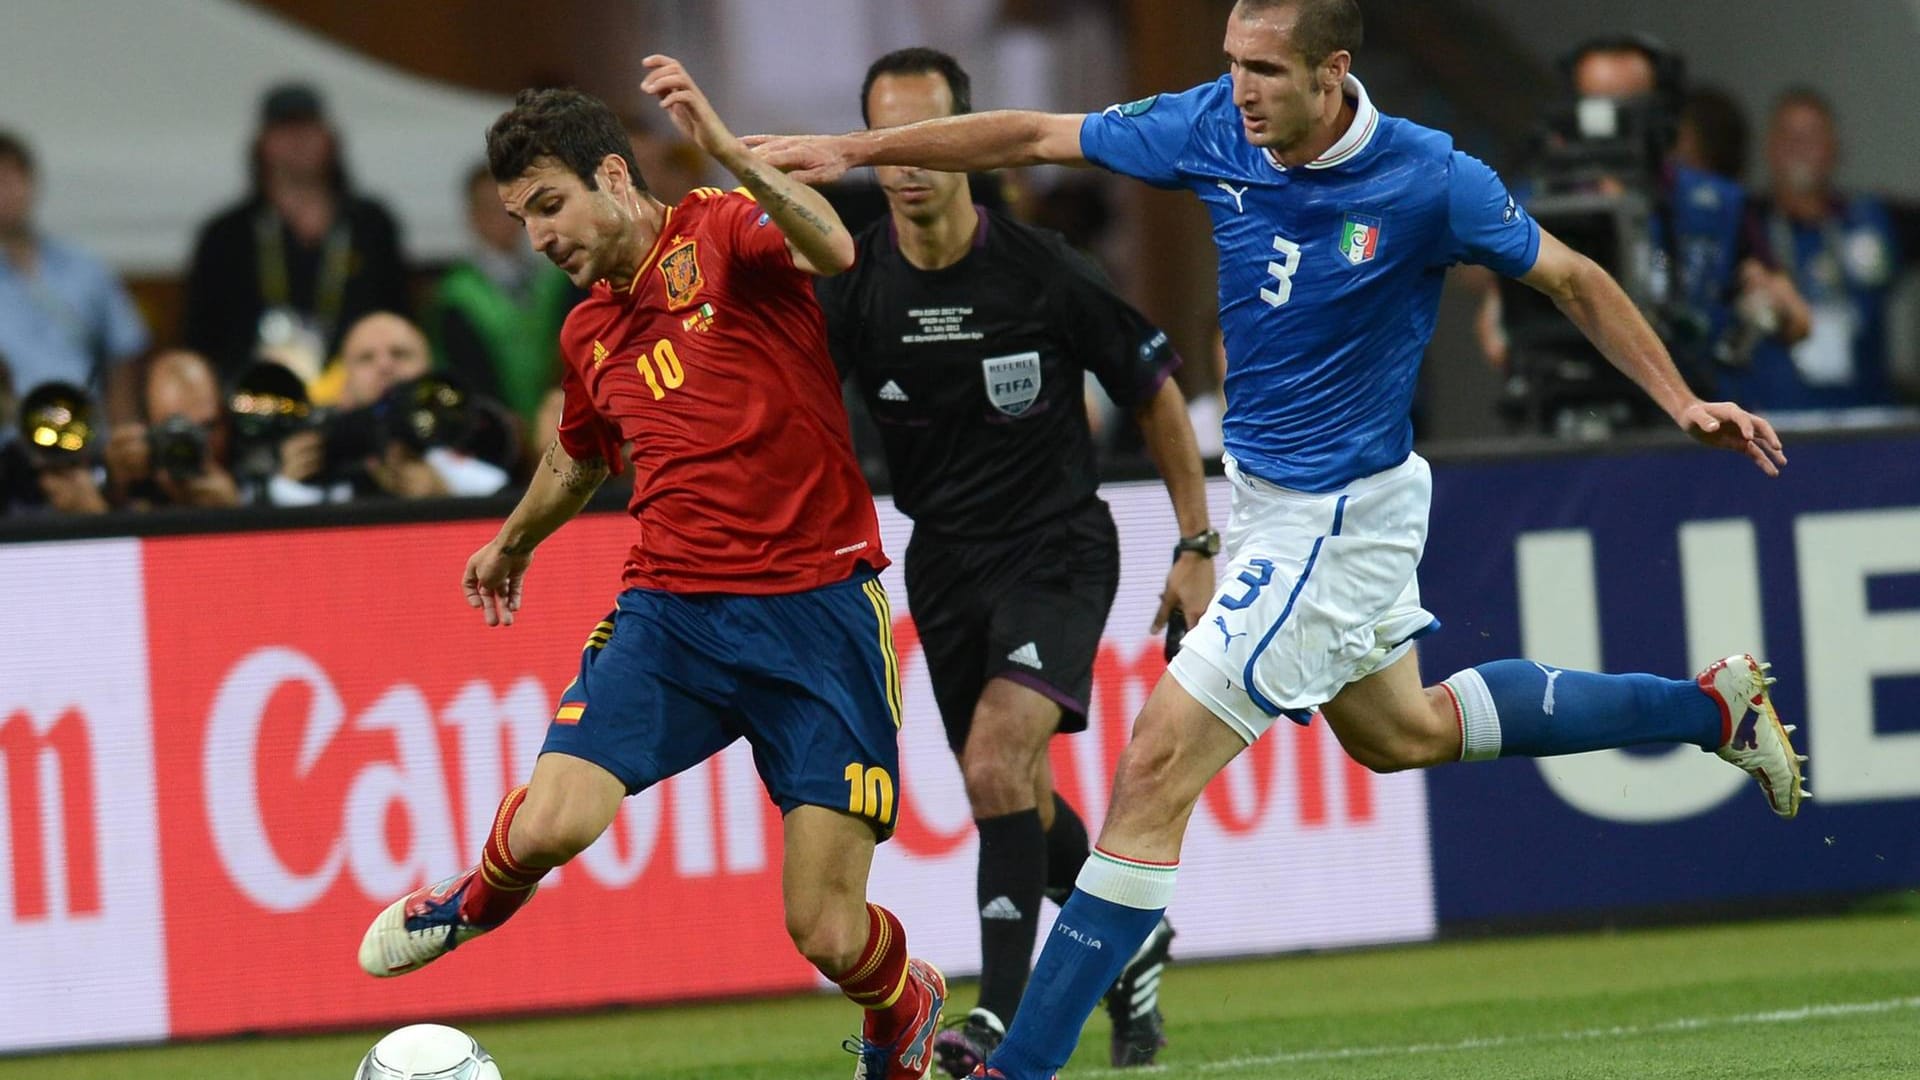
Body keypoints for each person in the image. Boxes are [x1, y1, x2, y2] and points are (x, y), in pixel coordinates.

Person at [751, 2, 1805, 1077]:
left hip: (1337, 514)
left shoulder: (1430, 178)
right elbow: (1027, 136)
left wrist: (1682, 401)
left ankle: (1019, 1065)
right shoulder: (1214, 126)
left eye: (1262, 69)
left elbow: (1571, 276)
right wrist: (850, 152)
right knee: (1404, 733)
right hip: (1268, 502)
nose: (1240, 88)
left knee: (1155, 766)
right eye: (1231, 65)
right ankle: (1710, 707)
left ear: (1332, 72)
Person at [354, 65, 948, 1080]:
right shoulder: (588, 326)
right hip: (672, 613)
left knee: (826, 932)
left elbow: (836, 246)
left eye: (551, 204)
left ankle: (906, 1004)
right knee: (554, 819)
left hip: (818, 615)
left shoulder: (721, 228)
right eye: (520, 216)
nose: (540, 235)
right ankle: (473, 901)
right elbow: (580, 456)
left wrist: (724, 143)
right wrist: (512, 542)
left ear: (616, 177)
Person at [814, 48, 1214, 1076]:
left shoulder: (1041, 267)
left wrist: (1194, 540)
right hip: (943, 564)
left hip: (1059, 549)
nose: (905, 163)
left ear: (968, 139)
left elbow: (1155, 388)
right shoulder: (854, 285)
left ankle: (996, 1015)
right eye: (885, 143)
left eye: (925, 138)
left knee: (998, 759)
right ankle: (1131, 941)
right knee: (1016, 799)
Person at [1473, 36, 1809, 428]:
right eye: (1596, 104)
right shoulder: (1535, 205)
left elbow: (1798, 320)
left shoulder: (1714, 204)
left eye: (1628, 106)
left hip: (1690, 417)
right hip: (1565, 419)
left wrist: (1767, 306)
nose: (1611, 123)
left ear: (1663, 112)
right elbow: (1496, 334)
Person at [183, 82, 411, 382]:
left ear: (330, 140)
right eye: (285, 131)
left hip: (358, 398)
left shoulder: (371, 226)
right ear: (262, 144)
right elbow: (201, 338)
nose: (298, 141)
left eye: (308, 129)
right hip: (253, 403)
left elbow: (398, 318)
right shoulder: (226, 235)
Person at [1722, 87, 1908, 413]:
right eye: (1788, 137)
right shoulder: (1743, 229)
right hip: (1774, 422)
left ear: (1835, 148)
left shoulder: (1873, 221)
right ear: (1769, 149)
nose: (1799, 150)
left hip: (1867, 421)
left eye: (1811, 137)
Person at [272, 311, 510, 504]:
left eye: (400, 354)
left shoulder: (482, 484)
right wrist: (287, 489)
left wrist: (443, 502)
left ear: (429, 371)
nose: (385, 365)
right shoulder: (314, 470)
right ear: (343, 387)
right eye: (366, 358)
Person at [0, 129, 150, 423]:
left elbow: (124, 351)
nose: (5, 193)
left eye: (12, 179)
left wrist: (123, 433)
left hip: (85, 432)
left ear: (31, 183)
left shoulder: (83, 267)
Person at [426, 162, 579, 429]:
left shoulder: (556, 278)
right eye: (491, 209)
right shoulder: (456, 296)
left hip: (563, 420)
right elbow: (467, 374)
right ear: (473, 216)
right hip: (498, 429)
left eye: (511, 209)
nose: (504, 219)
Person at [102, 349, 243, 510]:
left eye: (206, 427)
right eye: (173, 431)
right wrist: (115, 493)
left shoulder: (252, 474)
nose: (187, 445)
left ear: (227, 419)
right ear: (145, 430)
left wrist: (236, 515)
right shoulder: (130, 485)